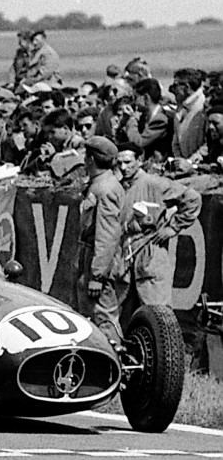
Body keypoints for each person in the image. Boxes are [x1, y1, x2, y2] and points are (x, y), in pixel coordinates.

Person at [107, 146, 202, 318]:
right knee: (122, 314)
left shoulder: (155, 183)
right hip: (124, 253)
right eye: (119, 163)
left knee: (157, 313)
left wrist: (173, 227)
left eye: (128, 162)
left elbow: (193, 199)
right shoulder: (119, 187)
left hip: (150, 250)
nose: (123, 167)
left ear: (139, 161)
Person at [74, 138, 125, 342]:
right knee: (88, 317)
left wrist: (97, 276)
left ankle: (117, 363)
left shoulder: (106, 189)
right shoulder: (99, 185)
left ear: (91, 160)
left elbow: (107, 236)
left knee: (103, 317)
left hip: (96, 262)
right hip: (88, 257)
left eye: (86, 157)